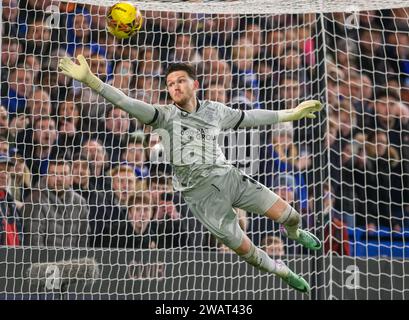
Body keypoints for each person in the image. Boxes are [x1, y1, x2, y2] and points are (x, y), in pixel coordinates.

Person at [59, 55, 323, 293]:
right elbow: (124, 101)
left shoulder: (215, 110)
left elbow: (251, 116)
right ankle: (283, 271)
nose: (175, 86)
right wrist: (92, 80)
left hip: (231, 179)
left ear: (194, 85)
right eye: (170, 83)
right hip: (203, 200)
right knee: (248, 252)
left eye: (180, 80)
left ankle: (295, 233)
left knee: (292, 216)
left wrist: (291, 113)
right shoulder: (162, 116)